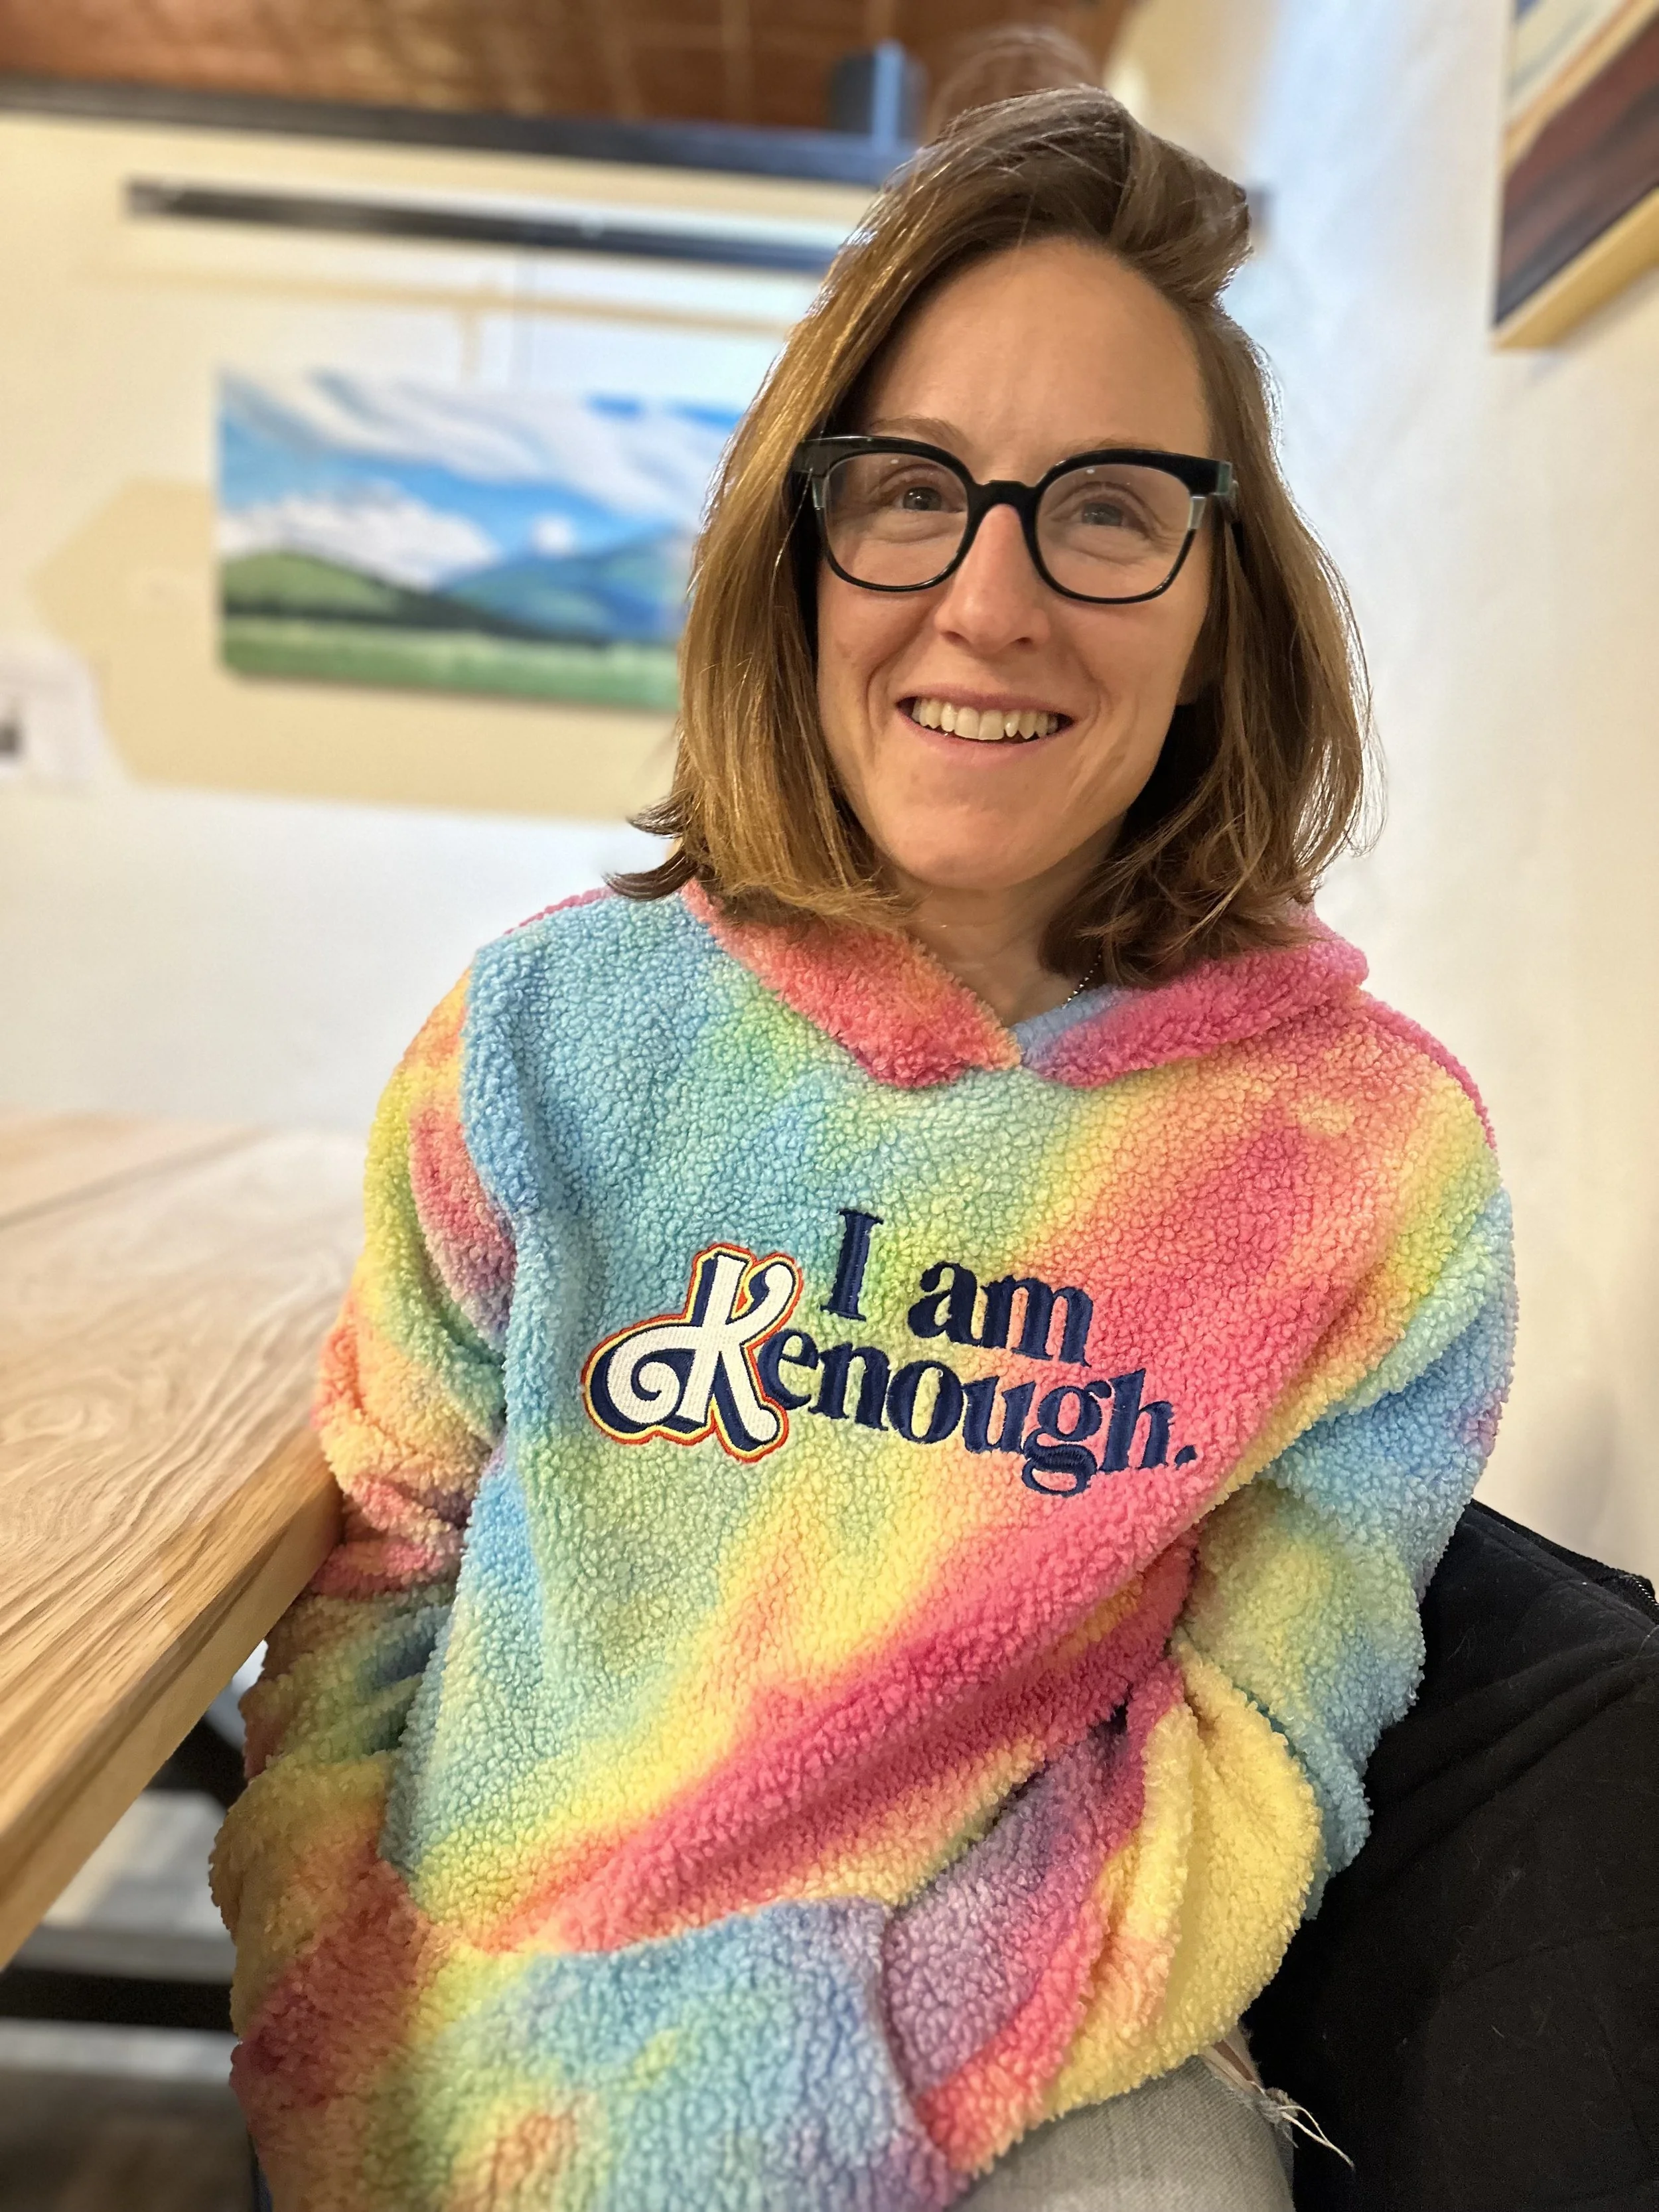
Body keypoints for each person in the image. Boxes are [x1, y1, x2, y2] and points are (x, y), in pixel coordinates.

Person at [212, 86, 1514, 2212]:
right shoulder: (547, 1036)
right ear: (800, 546)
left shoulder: (1363, 1164)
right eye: (912, 491)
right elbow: (375, 1590)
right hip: (476, 2017)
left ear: (1215, 598)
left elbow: (1276, 1721)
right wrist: (357, 2004)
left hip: (1031, 2058)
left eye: (1105, 508)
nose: (991, 603)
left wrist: (908, 2049)